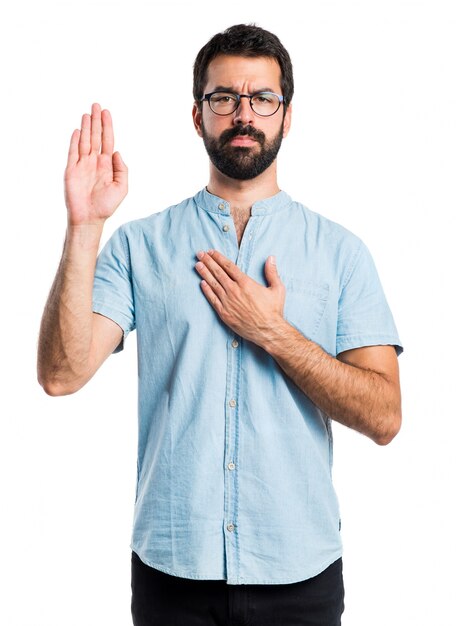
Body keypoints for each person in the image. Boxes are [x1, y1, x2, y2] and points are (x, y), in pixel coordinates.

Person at [37, 23, 403, 626]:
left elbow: (385, 417)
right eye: (223, 98)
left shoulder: (342, 253)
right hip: (171, 573)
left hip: (300, 574)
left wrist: (274, 334)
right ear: (197, 115)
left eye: (262, 98)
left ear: (287, 115)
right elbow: (60, 374)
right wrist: (83, 229)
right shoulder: (139, 245)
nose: (243, 114)